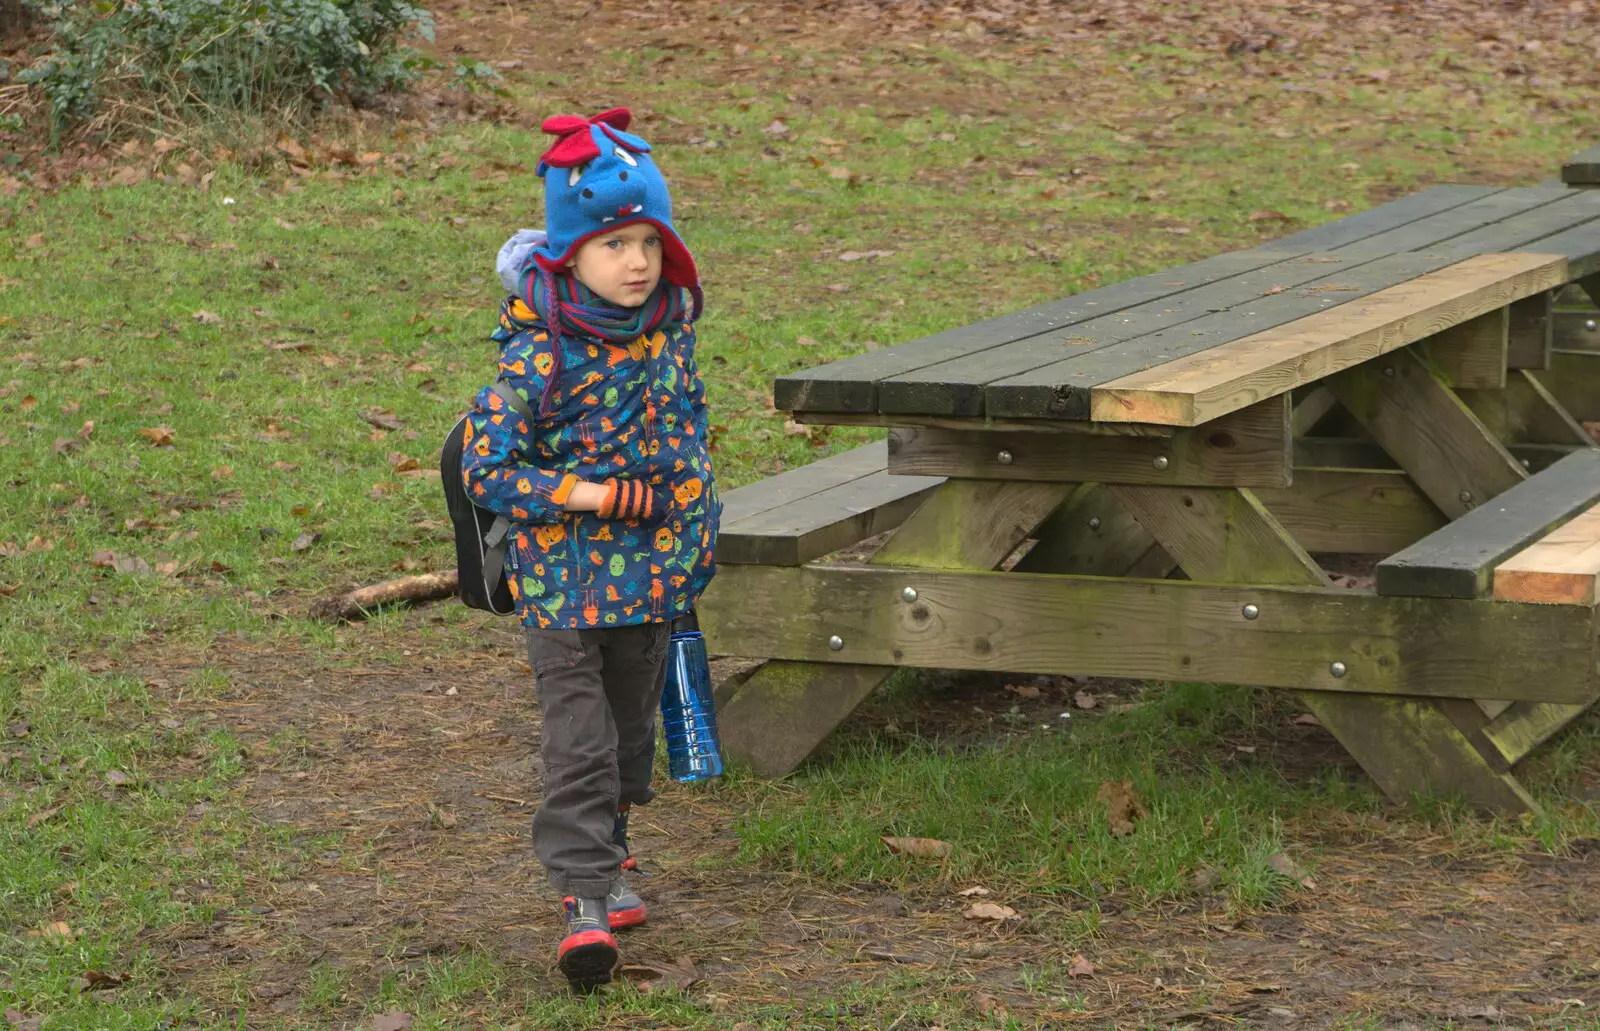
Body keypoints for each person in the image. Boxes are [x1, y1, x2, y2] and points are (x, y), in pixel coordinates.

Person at [458, 107, 720, 991]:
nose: (637, 262)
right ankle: (582, 900)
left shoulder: (667, 331)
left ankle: (610, 850)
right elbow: (484, 467)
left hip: (651, 583)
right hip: (563, 587)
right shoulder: (541, 354)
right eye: (615, 244)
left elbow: (690, 442)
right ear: (570, 252)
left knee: (630, 734)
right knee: (580, 741)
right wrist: (590, 494)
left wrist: (692, 536)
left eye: (650, 240)